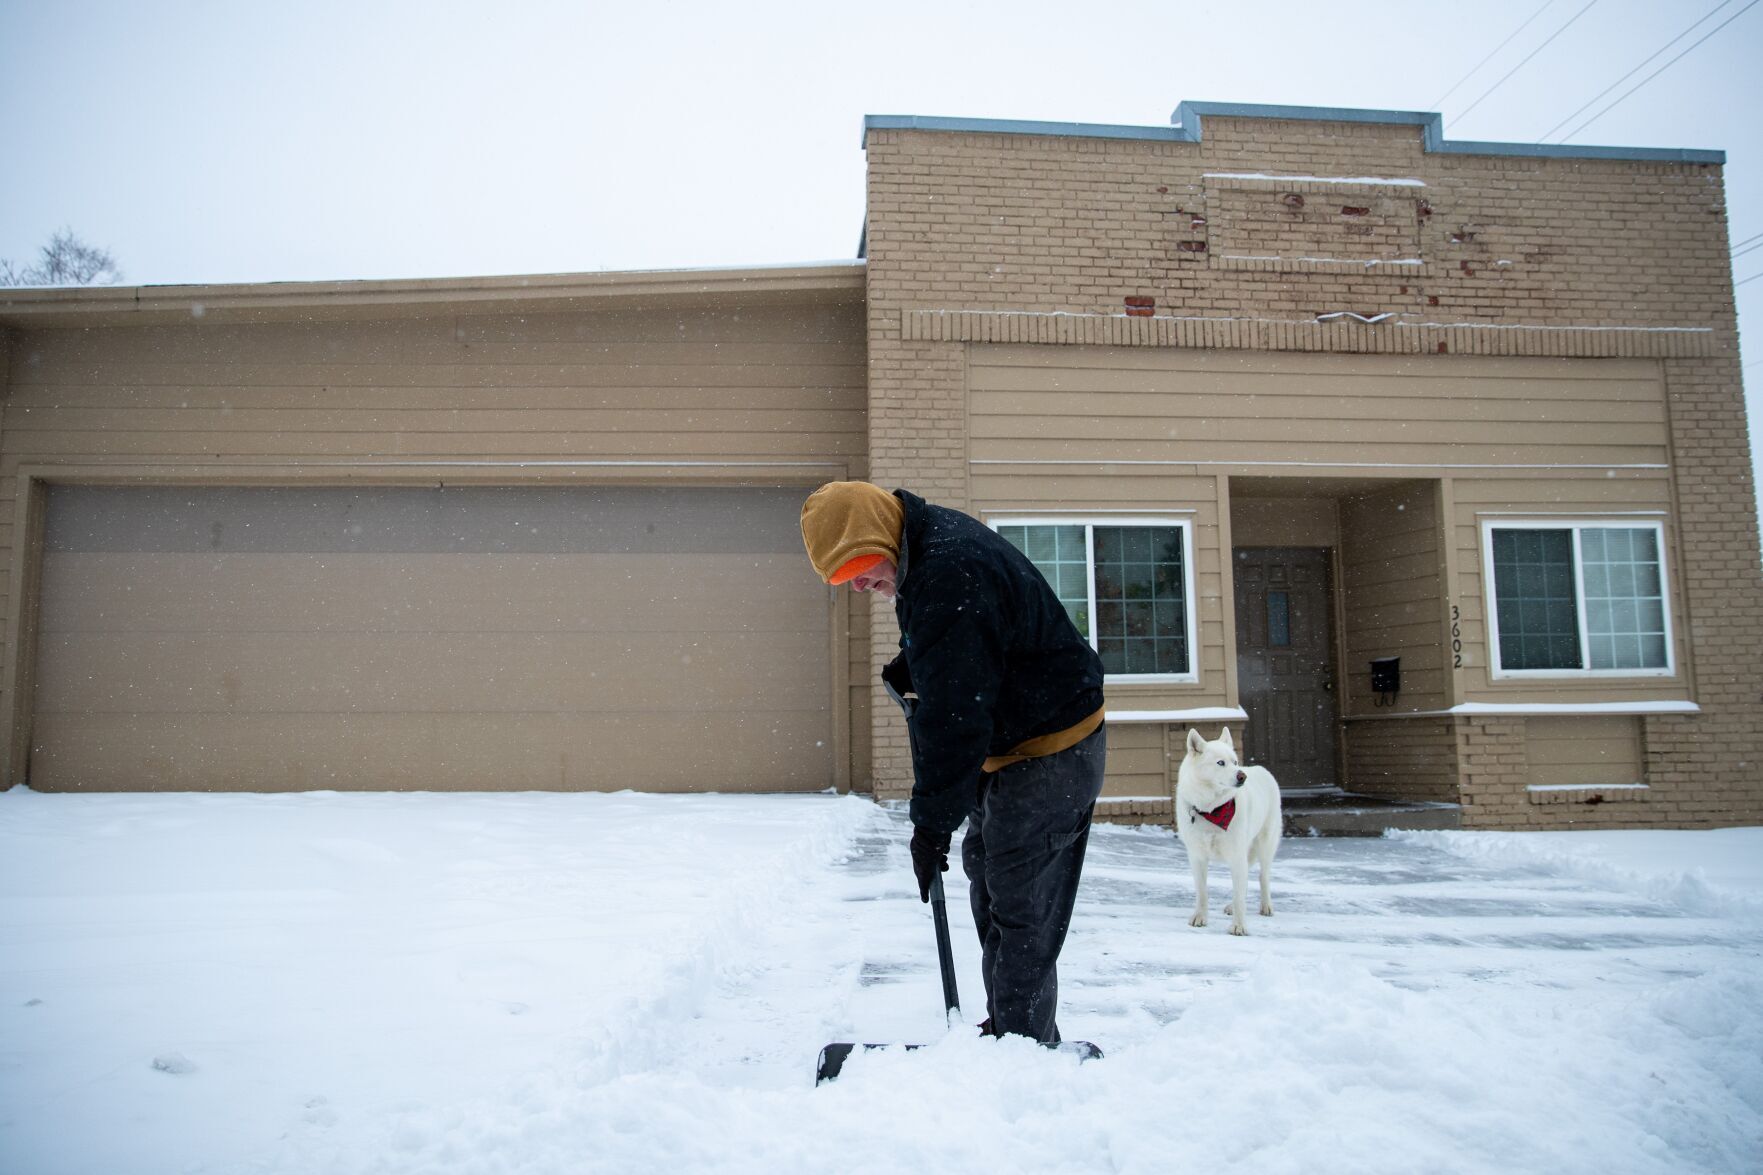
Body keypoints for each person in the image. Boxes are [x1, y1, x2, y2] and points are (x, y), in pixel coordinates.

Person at [799, 480, 1107, 1044]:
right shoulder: (921, 550)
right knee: (990, 887)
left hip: (1053, 751)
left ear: (875, 535)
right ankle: (1010, 1032)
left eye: (858, 569)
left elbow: (958, 718)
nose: (860, 586)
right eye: (843, 581)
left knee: (1021, 912)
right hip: (1015, 745)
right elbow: (971, 648)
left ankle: (1024, 1053)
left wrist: (931, 825)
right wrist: (916, 664)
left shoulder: (947, 568)